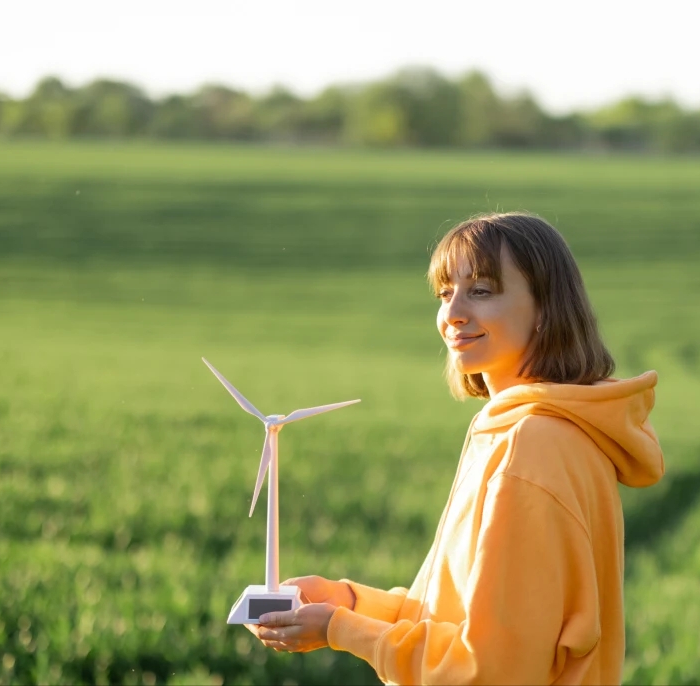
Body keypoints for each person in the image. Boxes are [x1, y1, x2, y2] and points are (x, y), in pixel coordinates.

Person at [248, 212, 664, 684]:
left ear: (546, 309)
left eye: (481, 291)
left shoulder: (533, 447)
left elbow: (488, 669)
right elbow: (462, 621)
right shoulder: (532, 431)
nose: (454, 313)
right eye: (446, 293)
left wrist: (341, 629)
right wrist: (346, 601)